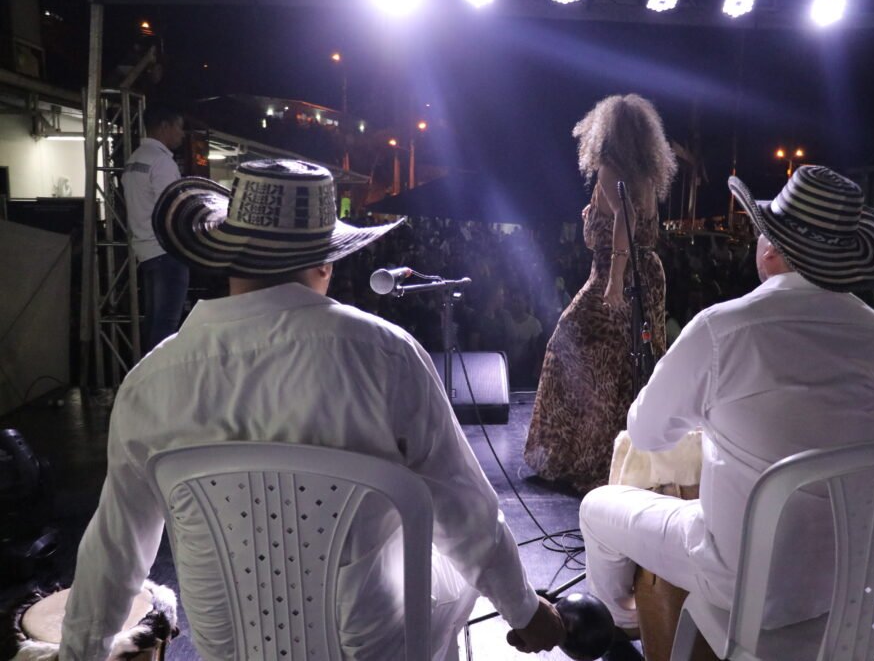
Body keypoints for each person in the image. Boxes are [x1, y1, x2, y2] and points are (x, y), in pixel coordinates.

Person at [60, 160, 565, 661]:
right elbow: (466, 513)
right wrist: (525, 611)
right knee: (451, 559)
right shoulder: (385, 357)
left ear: (228, 260)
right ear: (326, 264)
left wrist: (80, 653)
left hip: (229, 650)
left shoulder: (149, 383)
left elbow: (115, 548)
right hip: (369, 648)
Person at [579, 166, 874, 659]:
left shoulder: (723, 329)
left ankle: (619, 624)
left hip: (738, 579)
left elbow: (645, 433)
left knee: (596, 507)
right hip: (846, 583)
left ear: (770, 250)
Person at [524, 94, 677, 493]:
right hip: (648, 274)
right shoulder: (646, 175)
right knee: (631, 363)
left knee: (573, 352)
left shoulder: (611, 170)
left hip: (616, 273)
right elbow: (632, 219)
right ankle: (627, 456)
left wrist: (615, 279)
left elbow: (625, 217)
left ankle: (580, 456)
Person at [123, 104, 188, 352]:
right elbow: (173, 209)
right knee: (166, 328)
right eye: (179, 127)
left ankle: (146, 372)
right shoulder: (162, 162)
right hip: (166, 251)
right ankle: (160, 375)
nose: (182, 134)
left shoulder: (135, 159)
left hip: (145, 250)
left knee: (154, 323)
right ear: (164, 126)